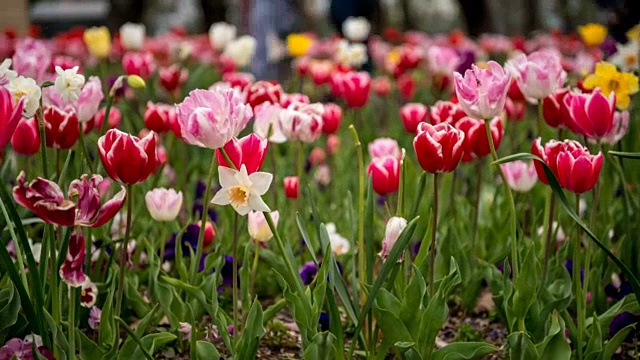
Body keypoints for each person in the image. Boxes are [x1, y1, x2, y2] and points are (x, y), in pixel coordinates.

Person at [250, 0, 311, 81]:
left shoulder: (284, 4)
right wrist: (307, 46)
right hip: (269, 72)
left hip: (278, 68)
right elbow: (272, 49)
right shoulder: (267, 6)